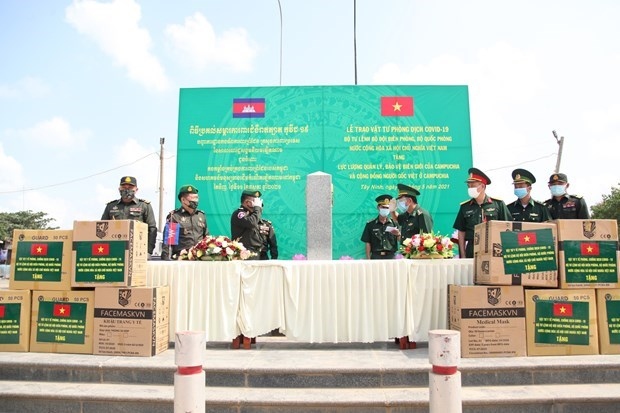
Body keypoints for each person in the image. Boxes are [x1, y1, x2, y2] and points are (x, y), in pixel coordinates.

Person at [453, 168, 511, 258]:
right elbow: (461, 232)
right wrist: (463, 255)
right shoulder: (465, 206)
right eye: (469, 186)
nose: (470, 188)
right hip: (472, 249)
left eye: (473, 185)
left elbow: (508, 227)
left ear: (483, 186)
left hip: (493, 248)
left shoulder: (498, 204)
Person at [101, 176, 157, 256]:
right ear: (119, 189)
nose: (127, 190)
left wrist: (149, 251)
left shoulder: (144, 206)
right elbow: (102, 227)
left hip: (137, 250)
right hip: (114, 249)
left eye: (130, 187)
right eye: (124, 187)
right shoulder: (110, 206)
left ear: (136, 190)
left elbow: (152, 229)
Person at [160, 185, 208, 260]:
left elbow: (206, 238)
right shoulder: (175, 217)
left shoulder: (201, 215)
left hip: (199, 259)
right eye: (192, 198)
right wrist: (167, 261)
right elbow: (168, 244)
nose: (196, 200)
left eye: (197, 198)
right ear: (183, 200)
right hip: (181, 259)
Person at [361, 194, 400, 259]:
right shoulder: (370, 224)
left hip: (391, 256)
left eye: (387, 208)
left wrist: (398, 234)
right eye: (383, 207)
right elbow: (368, 243)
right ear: (378, 207)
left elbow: (400, 240)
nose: (385, 209)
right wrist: (368, 258)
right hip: (376, 256)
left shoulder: (394, 223)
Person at [231, 189, 263, 259]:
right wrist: (257, 208)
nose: (258, 204)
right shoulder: (239, 213)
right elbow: (251, 223)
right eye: (255, 201)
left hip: (256, 253)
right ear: (247, 202)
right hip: (245, 254)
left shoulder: (253, 215)